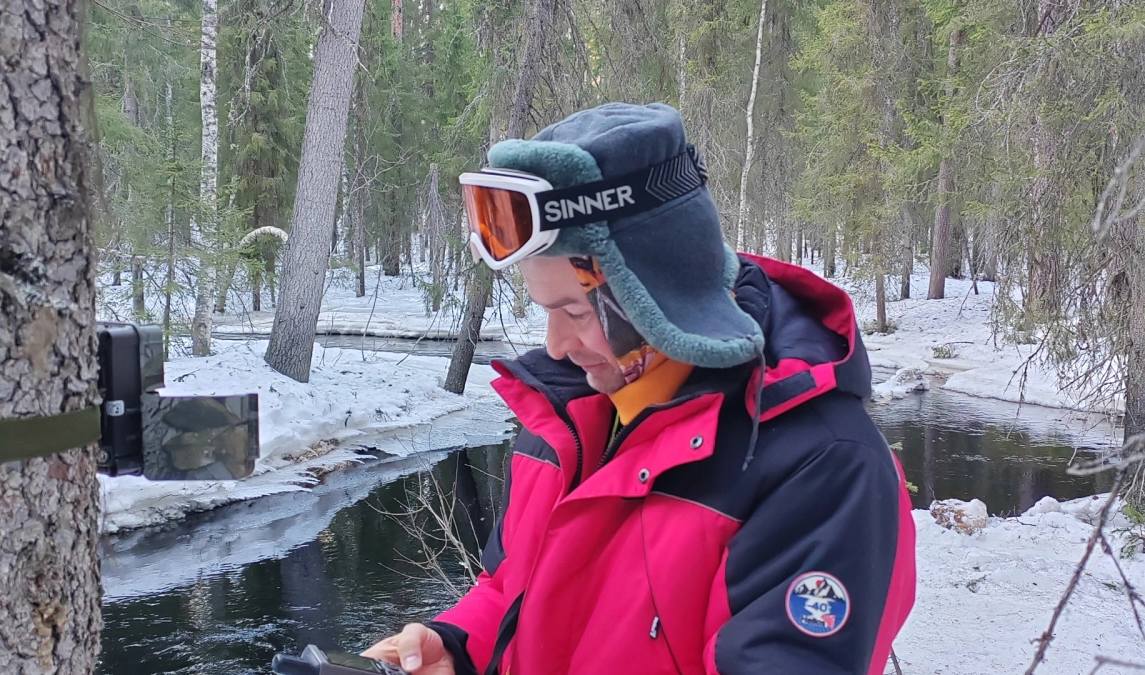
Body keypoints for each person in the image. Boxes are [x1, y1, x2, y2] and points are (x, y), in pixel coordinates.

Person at [363, 103, 916, 675]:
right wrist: (455, 646)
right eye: (544, 310)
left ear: (657, 297)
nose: (554, 346)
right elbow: (511, 591)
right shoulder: (565, 418)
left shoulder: (825, 470)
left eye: (576, 311)